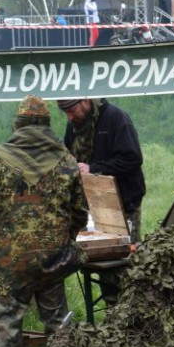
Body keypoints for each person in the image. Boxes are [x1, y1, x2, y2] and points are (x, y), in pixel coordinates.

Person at [0, 95, 88, 347]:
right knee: (58, 321)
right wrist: (64, 242)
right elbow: (79, 212)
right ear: (48, 125)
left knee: (7, 319)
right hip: (52, 258)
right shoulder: (66, 160)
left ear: (18, 124)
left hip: (9, 258)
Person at [57, 96, 144, 304]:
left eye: (71, 110)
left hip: (124, 204)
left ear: (85, 102)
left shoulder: (116, 118)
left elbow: (133, 158)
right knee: (103, 265)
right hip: (92, 206)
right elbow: (67, 155)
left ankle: (128, 313)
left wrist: (94, 169)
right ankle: (111, 311)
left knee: (123, 263)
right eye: (65, 112)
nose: (69, 117)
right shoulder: (74, 126)